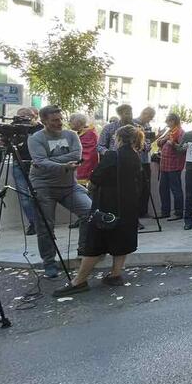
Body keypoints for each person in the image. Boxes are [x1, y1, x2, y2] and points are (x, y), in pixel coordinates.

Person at [53, 124, 144, 297]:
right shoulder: (135, 156)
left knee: (95, 243)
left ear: (118, 138)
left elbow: (95, 177)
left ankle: (78, 281)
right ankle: (116, 274)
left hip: (108, 206)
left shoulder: (112, 155)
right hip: (128, 206)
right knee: (121, 240)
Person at [27, 106, 93, 279]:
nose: (59, 123)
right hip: (43, 186)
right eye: (54, 120)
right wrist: (63, 164)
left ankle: (83, 248)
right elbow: (40, 162)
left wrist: (50, 161)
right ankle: (49, 261)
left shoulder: (71, 135)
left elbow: (77, 155)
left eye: (60, 119)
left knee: (90, 211)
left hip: (69, 185)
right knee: (45, 225)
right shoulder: (36, 138)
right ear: (43, 121)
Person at [10, 106, 39, 235]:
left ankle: (41, 222)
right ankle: (33, 223)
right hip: (18, 163)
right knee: (24, 197)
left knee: (37, 195)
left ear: (32, 117)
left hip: (36, 165)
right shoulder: (14, 128)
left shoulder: (40, 129)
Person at [154, 113, 185, 221]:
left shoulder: (180, 132)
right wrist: (162, 139)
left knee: (176, 190)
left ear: (174, 121)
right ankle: (165, 211)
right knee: (163, 189)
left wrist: (173, 144)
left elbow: (182, 148)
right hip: (164, 165)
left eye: (168, 121)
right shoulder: (168, 131)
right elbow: (159, 143)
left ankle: (178, 212)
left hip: (174, 165)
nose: (167, 123)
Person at [135, 107, 155, 219]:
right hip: (136, 160)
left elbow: (148, 141)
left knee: (146, 186)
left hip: (146, 159)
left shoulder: (148, 125)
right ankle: (135, 212)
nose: (150, 120)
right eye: (149, 117)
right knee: (136, 186)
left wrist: (155, 138)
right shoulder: (133, 123)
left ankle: (144, 211)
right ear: (144, 113)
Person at [69, 113, 99, 186]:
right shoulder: (84, 132)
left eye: (71, 121)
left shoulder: (89, 134)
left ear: (78, 123)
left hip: (85, 166)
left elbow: (88, 152)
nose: (69, 123)